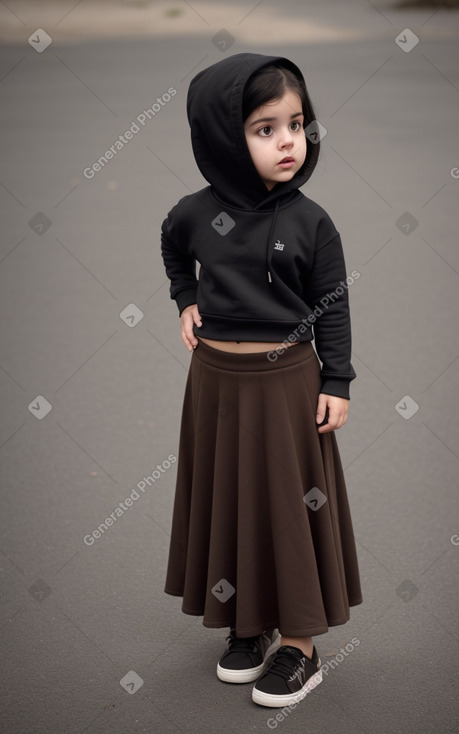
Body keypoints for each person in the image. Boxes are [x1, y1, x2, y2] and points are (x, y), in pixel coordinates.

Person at [160, 52, 363, 709]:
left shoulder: (310, 221)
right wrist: (185, 295)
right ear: (222, 138)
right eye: (264, 128)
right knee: (230, 497)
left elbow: (332, 302)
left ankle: (301, 647)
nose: (288, 142)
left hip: (286, 386)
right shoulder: (195, 212)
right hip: (214, 382)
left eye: (297, 124)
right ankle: (246, 626)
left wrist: (337, 379)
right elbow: (171, 241)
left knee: (286, 502)